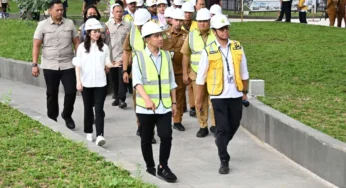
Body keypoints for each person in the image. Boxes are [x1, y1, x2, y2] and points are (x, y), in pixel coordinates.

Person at [195, 14, 249, 174]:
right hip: (218, 96)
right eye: (221, 29)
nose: (225, 31)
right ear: (214, 31)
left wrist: (245, 91)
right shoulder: (208, 51)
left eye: (227, 28)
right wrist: (199, 100)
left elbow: (244, 72)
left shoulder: (237, 47)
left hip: (236, 94)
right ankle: (224, 159)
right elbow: (200, 78)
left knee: (235, 123)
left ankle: (220, 142)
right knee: (223, 127)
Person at [133, 21, 178, 182]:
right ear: (147, 39)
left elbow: (171, 81)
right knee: (146, 138)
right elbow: (137, 82)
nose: (160, 38)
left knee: (166, 136)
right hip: (146, 108)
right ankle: (150, 166)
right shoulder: (139, 57)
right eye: (156, 36)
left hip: (164, 106)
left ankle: (163, 166)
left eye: (161, 35)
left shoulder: (166, 55)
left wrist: (174, 103)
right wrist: (146, 99)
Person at [32, 0, 80, 129]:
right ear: (50, 11)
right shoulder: (42, 25)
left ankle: (67, 114)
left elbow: (76, 41)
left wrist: (78, 57)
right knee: (52, 93)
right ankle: (52, 118)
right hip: (50, 65)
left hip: (68, 64)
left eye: (61, 10)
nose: (60, 12)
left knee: (71, 91)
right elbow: (36, 45)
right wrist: (34, 64)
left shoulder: (69, 24)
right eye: (57, 10)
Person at [73, 18, 119, 146]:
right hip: (86, 83)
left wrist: (113, 64)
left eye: (98, 31)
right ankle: (89, 131)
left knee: (99, 110)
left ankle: (100, 135)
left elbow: (107, 63)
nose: (97, 34)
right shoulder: (81, 47)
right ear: (88, 32)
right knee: (88, 109)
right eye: (94, 31)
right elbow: (78, 65)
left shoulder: (104, 47)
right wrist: (78, 82)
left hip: (100, 83)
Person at [122, 8, 157, 143]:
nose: (140, 28)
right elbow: (126, 51)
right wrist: (125, 70)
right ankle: (141, 126)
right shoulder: (132, 33)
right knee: (139, 102)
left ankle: (150, 130)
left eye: (142, 25)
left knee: (152, 101)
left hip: (154, 73)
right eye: (138, 25)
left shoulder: (157, 33)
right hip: (138, 73)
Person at [181, 8, 216, 137]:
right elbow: (185, 55)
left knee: (214, 101)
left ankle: (215, 125)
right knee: (199, 100)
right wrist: (185, 73)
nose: (202, 24)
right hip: (196, 74)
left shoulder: (216, 34)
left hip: (213, 74)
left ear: (209, 21)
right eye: (200, 21)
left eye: (205, 21)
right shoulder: (191, 35)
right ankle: (203, 125)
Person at [162, 8, 188, 131]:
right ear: (171, 20)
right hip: (165, 71)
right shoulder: (163, 34)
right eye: (176, 20)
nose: (178, 23)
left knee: (179, 96)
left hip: (179, 70)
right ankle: (165, 119)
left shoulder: (186, 35)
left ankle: (177, 120)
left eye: (180, 20)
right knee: (165, 96)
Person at [107, 3, 131, 108]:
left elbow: (130, 42)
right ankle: (116, 97)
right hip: (112, 57)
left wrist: (130, 57)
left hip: (123, 56)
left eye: (120, 11)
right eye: (116, 11)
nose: (119, 13)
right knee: (114, 79)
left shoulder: (127, 25)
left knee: (122, 78)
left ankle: (122, 99)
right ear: (112, 13)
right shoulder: (107, 26)